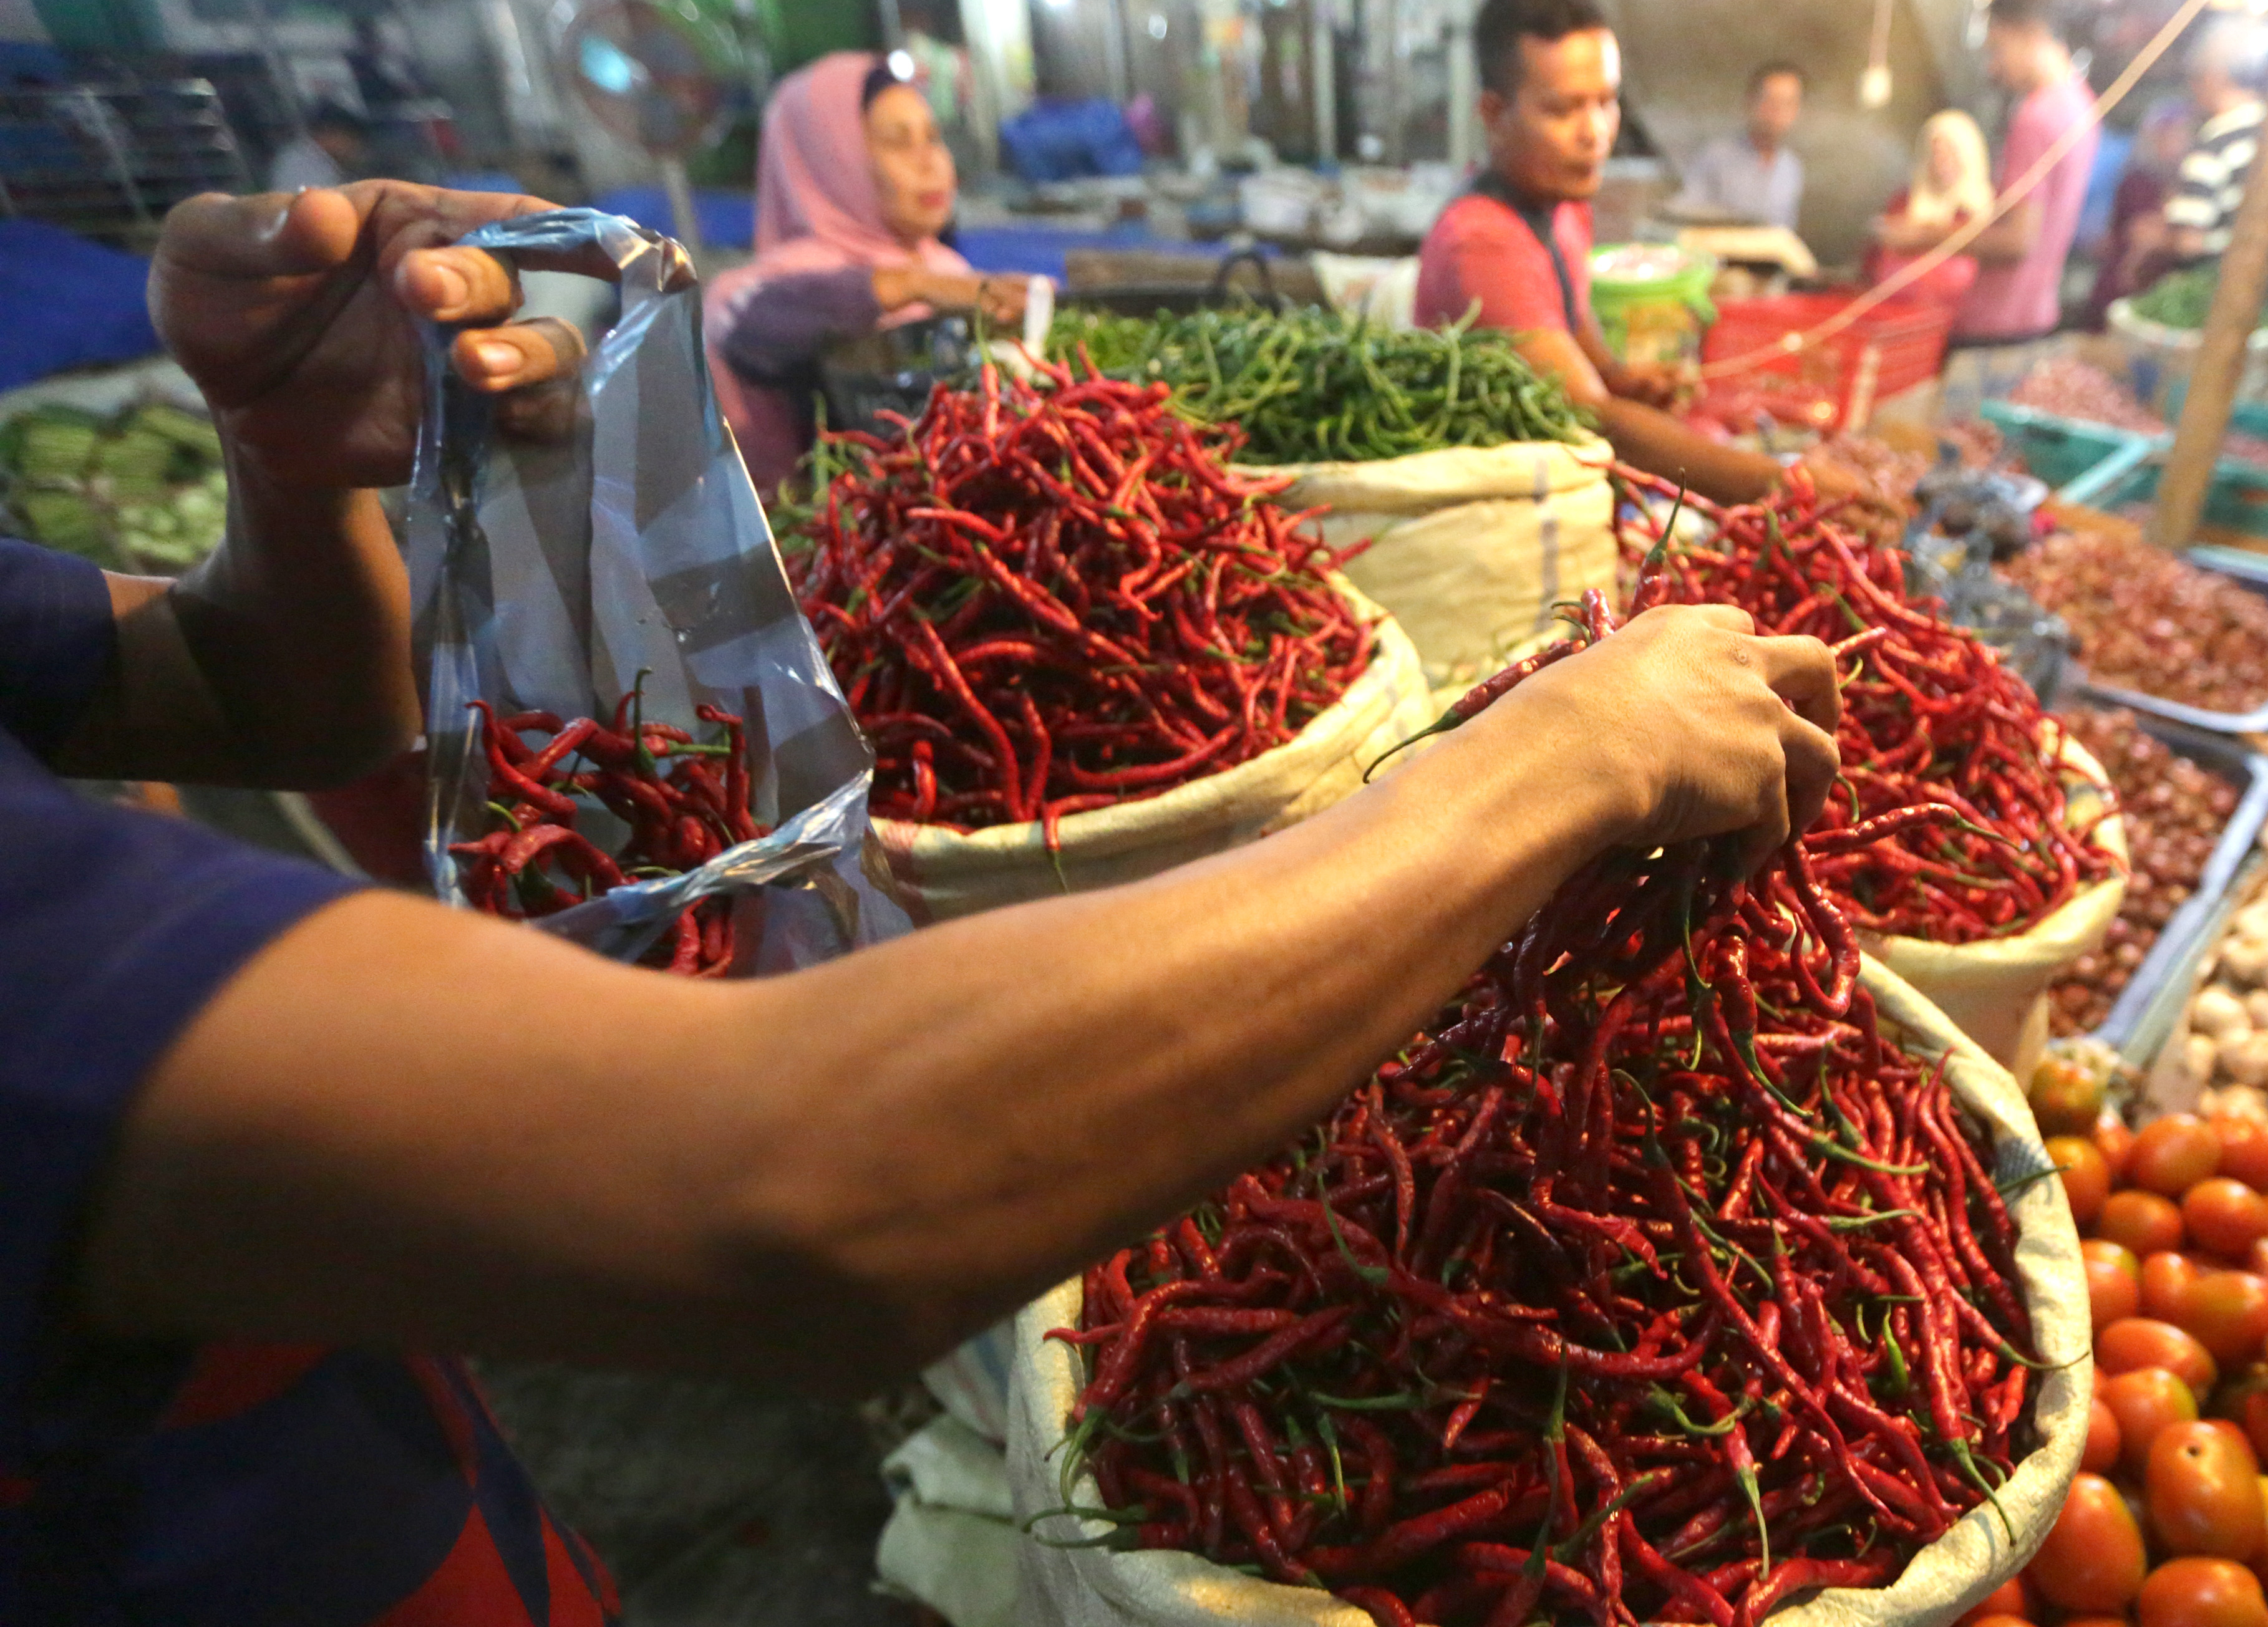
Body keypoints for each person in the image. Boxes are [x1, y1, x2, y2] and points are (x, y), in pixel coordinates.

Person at [0, 180, 1839, 1616]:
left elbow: (266, 700)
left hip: (364, 1507)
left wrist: (272, 440)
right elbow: (791, 1196)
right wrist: (1553, 758)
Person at [1413, 0, 1786, 504]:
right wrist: (1787, 485)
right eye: (1564, 109)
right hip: (1490, 517)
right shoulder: (1481, 241)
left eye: (1606, 102)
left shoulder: (1562, 207)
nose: (1595, 133)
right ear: (1494, 114)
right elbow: (1599, 421)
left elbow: (1588, 359)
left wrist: (1626, 379)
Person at [705, 52, 1030, 500]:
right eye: (899, 142)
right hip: (816, 541)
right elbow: (741, 320)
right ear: (832, 158)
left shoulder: (946, 268)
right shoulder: (759, 293)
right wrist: (908, 284)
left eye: (933, 138)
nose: (931, 163)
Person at [1946, 0, 2100, 375]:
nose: (1994, 67)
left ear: (2031, 34)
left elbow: (2016, 241)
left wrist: (1928, 239)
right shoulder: (2082, 105)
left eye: (1997, 48)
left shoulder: (2037, 116)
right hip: (2039, 317)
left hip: (1995, 323)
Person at [2160, 16, 2268, 267]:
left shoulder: (2216, 140)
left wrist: (2156, 239)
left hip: (2213, 283)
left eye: (2195, 78)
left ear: (2215, 76)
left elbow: (2188, 243)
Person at [1864, 110, 1994, 311]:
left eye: (1951, 154)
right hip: (1896, 316)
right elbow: (1873, 259)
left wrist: (1923, 235)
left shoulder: (1988, 211)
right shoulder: (1903, 203)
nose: (1941, 163)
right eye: (1935, 154)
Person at [2082, 96, 2194, 330]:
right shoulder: (2138, 180)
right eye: (2164, 135)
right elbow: (2135, 235)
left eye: (2178, 135)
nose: (2171, 142)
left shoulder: (2189, 183)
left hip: (2157, 296)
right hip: (2120, 291)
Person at [1679, 62, 1808, 232]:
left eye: (1787, 103)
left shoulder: (1791, 168)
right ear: (1750, 101)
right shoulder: (1716, 157)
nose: (1777, 111)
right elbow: (1685, 216)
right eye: (1770, 100)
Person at [266, 100, 373, 191]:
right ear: (330, 133)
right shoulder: (298, 162)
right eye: (351, 138)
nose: (355, 147)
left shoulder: (323, 161)